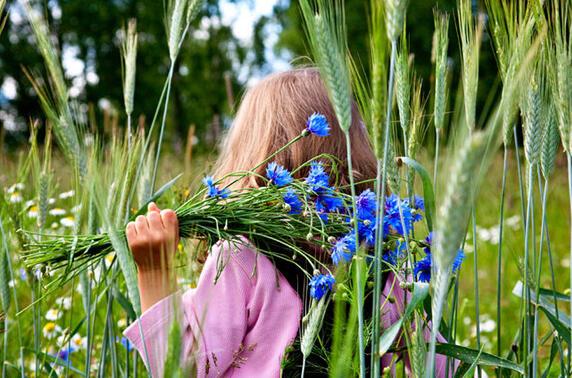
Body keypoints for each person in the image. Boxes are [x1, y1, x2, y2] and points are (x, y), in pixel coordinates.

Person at [123, 68, 450, 377]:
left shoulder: (242, 256)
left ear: (252, 156)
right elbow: (441, 367)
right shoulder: (385, 267)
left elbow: (186, 369)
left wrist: (154, 274)